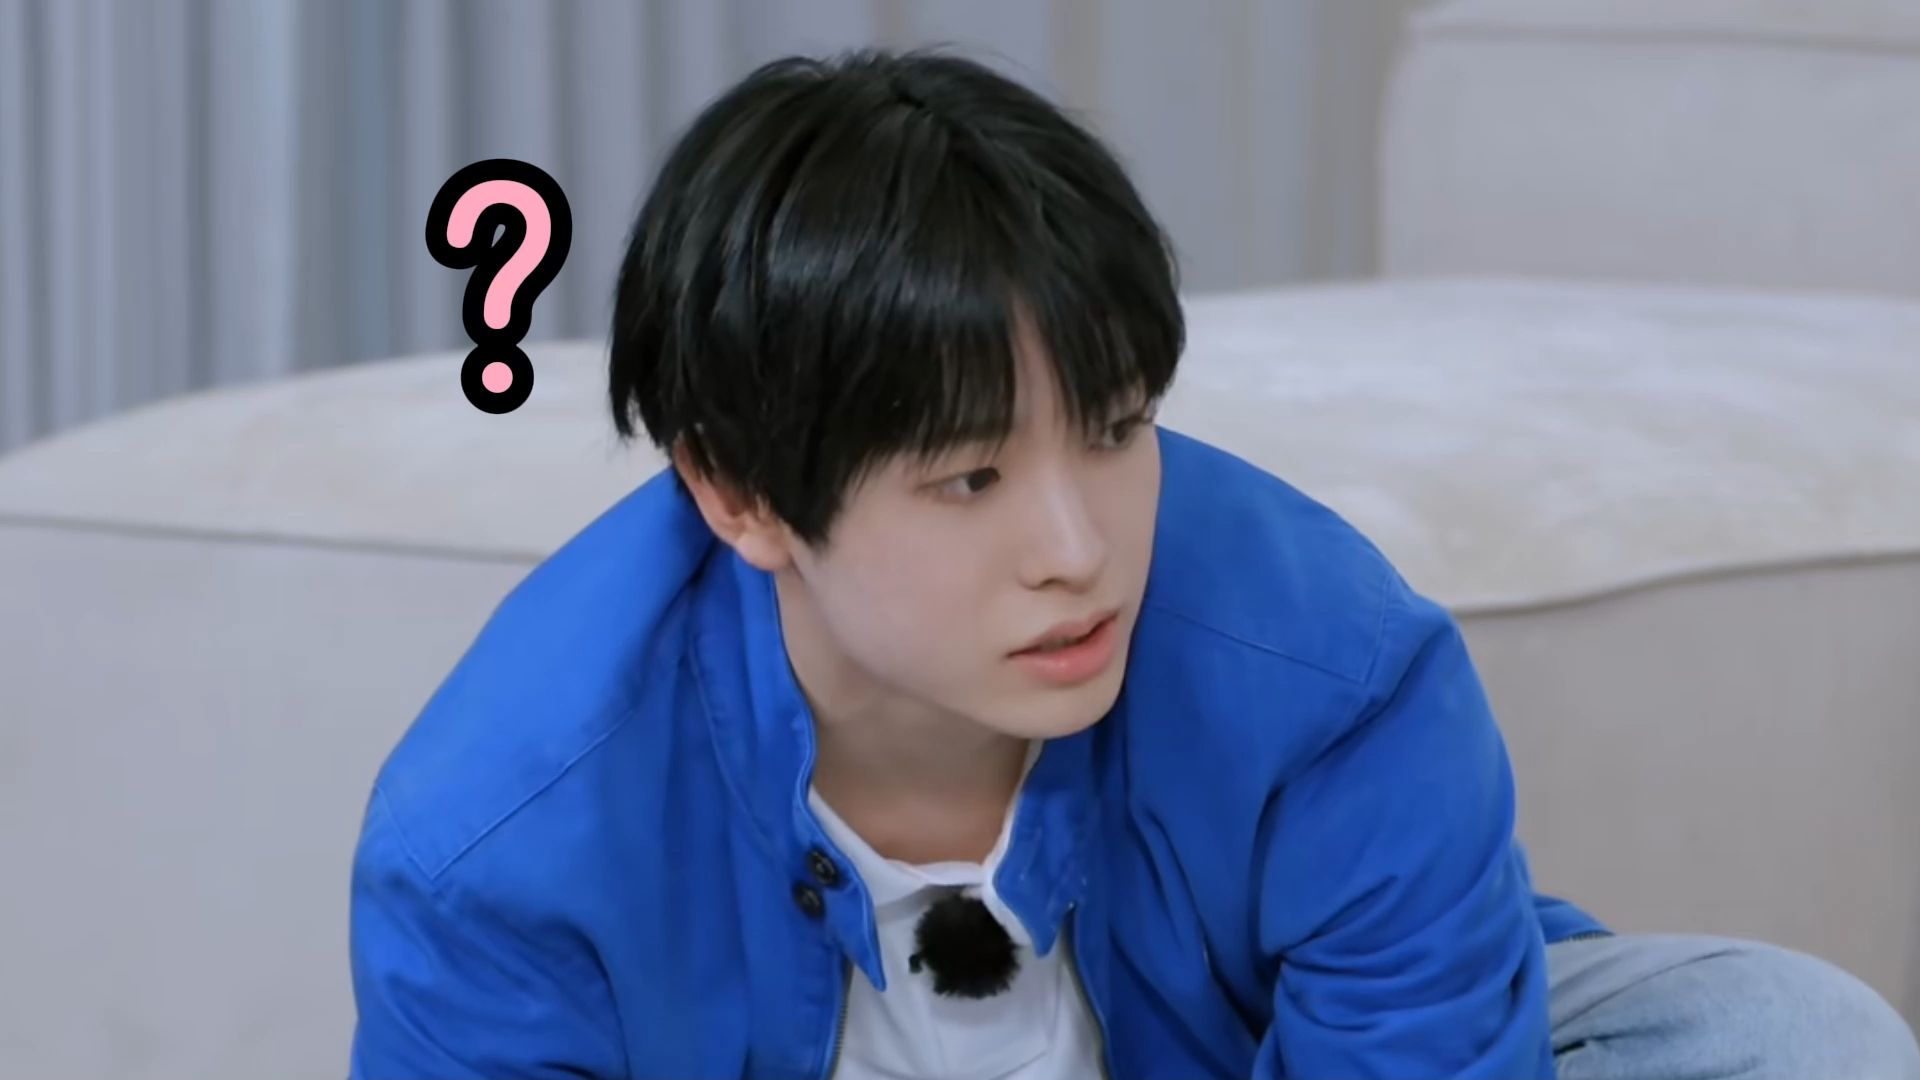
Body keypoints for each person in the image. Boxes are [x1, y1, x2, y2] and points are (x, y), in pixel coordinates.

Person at [346, 47, 1920, 1079]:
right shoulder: (498, 837)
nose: (1080, 549)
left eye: (1114, 429)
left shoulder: (1340, 671)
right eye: (971, 478)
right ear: (740, 494)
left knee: (1784, 1037)